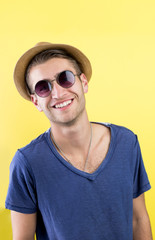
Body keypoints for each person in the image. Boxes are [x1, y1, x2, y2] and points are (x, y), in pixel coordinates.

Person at [5, 42, 153, 240]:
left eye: (65, 78)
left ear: (83, 82)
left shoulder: (127, 143)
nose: (57, 93)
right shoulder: (27, 163)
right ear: (36, 101)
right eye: (43, 87)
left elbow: (138, 219)